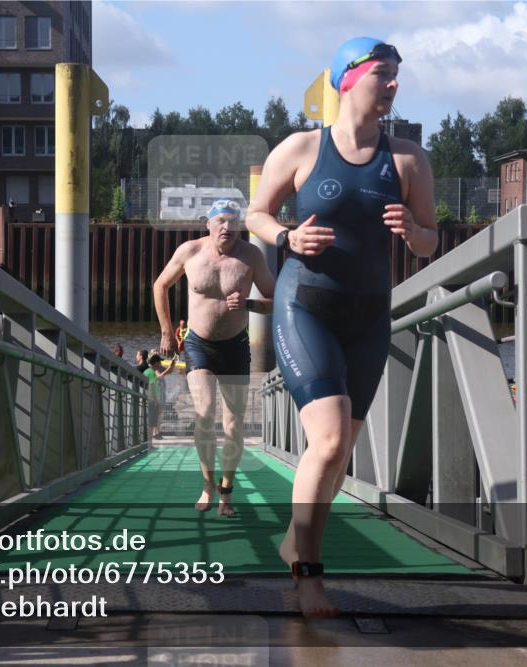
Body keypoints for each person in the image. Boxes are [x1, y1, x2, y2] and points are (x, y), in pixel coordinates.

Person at [245, 37, 438, 617]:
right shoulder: (303, 148)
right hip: (306, 305)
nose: (395, 84)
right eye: (384, 73)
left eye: (398, 75)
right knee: (327, 442)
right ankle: (307, 577)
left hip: (369, 316)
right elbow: (257, 211)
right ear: (348, 78)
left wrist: (412, 230)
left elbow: (430, 243)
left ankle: (292, 544)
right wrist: (286, 237)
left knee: (339, 454)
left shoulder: (407, 160)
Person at [154, 199, 276, 517]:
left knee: (234, 425)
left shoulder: (251, 256)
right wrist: (167, 332)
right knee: (205, 413)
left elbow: (274, 299)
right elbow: (160, 285)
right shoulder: (190, 252)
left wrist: (249, 303)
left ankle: (226, 491)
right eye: (220, 220)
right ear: (207, 224)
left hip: (236, 346)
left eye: (233, 222)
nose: (227, 227)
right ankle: (207, 484)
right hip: (199, 345)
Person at [143, 353, 176, 439]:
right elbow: (159, 377)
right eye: (159, 362)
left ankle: (156, 433)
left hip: (158, 395)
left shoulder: (156, 368)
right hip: (155, 397)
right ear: (156, 362)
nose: (161, 363)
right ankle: (155, 434)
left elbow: (169, 371)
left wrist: (172, 364)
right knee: (155, 415)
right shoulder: (152, 371)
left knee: (158, 414)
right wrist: (156, 399)